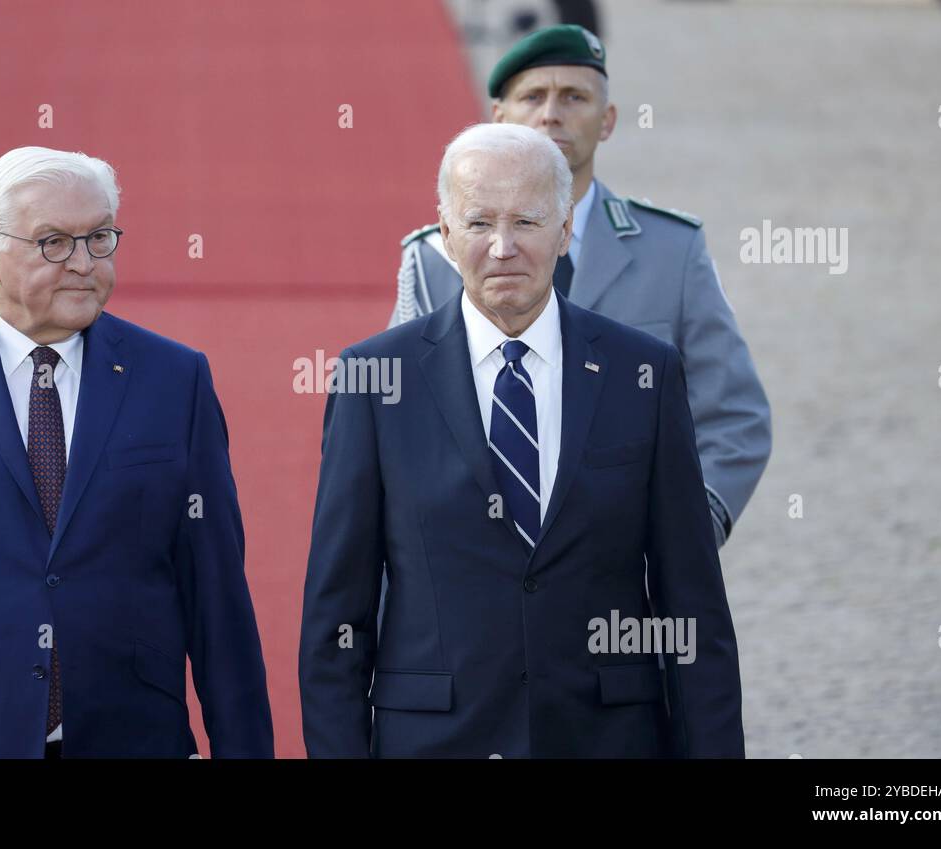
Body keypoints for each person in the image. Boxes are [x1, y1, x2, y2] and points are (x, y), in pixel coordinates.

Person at [300, 124, 744, 758]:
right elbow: (335, 617)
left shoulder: (644, 374)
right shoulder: (375, 381)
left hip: (608, 739)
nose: (502, 248)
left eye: (527, 223)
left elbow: (693, 608)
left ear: (565, 230)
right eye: (479, 223)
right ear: (445, 236)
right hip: (435, 741)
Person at [0, 146, 274, 758]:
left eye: (100, 239)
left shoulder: (175, 380)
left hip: (136, 741)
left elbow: (217, 600)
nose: (84, 263)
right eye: (54, 242)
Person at [389, 25, 770, 548]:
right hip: (476, 564)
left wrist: (687, 533)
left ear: (607, 120)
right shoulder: (437, 256)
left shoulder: (671, 250)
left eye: (573, 96)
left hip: (623, 573)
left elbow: (734, 413)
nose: (551, 114)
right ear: (499, 117)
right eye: (532, 96)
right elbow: (400, 420)